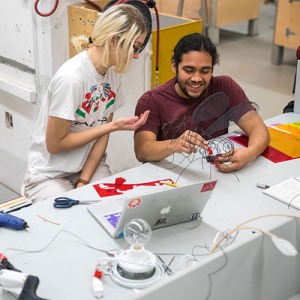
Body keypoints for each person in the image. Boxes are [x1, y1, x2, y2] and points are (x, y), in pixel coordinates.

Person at [21, 3, 150, 202]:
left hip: (88, 165)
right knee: (71, 219)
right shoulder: (72, 79)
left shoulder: (112, 76)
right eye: (134, 47)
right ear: (114, 40)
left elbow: (101, 136)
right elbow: (54, 144)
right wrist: (112, 127)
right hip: (49, 175)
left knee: (113, 207)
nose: (136, 55)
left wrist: (83, 180)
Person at [134, 33, 270, 172]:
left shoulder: (224, 87)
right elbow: (142, 150)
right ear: (174, 66)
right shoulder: (151, 101)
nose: (197, 78)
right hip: (170, 176)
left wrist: (251, 153)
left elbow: (257, 127)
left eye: (205, 71)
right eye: (189, 70)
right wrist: (174, 144)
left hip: (216, 173)